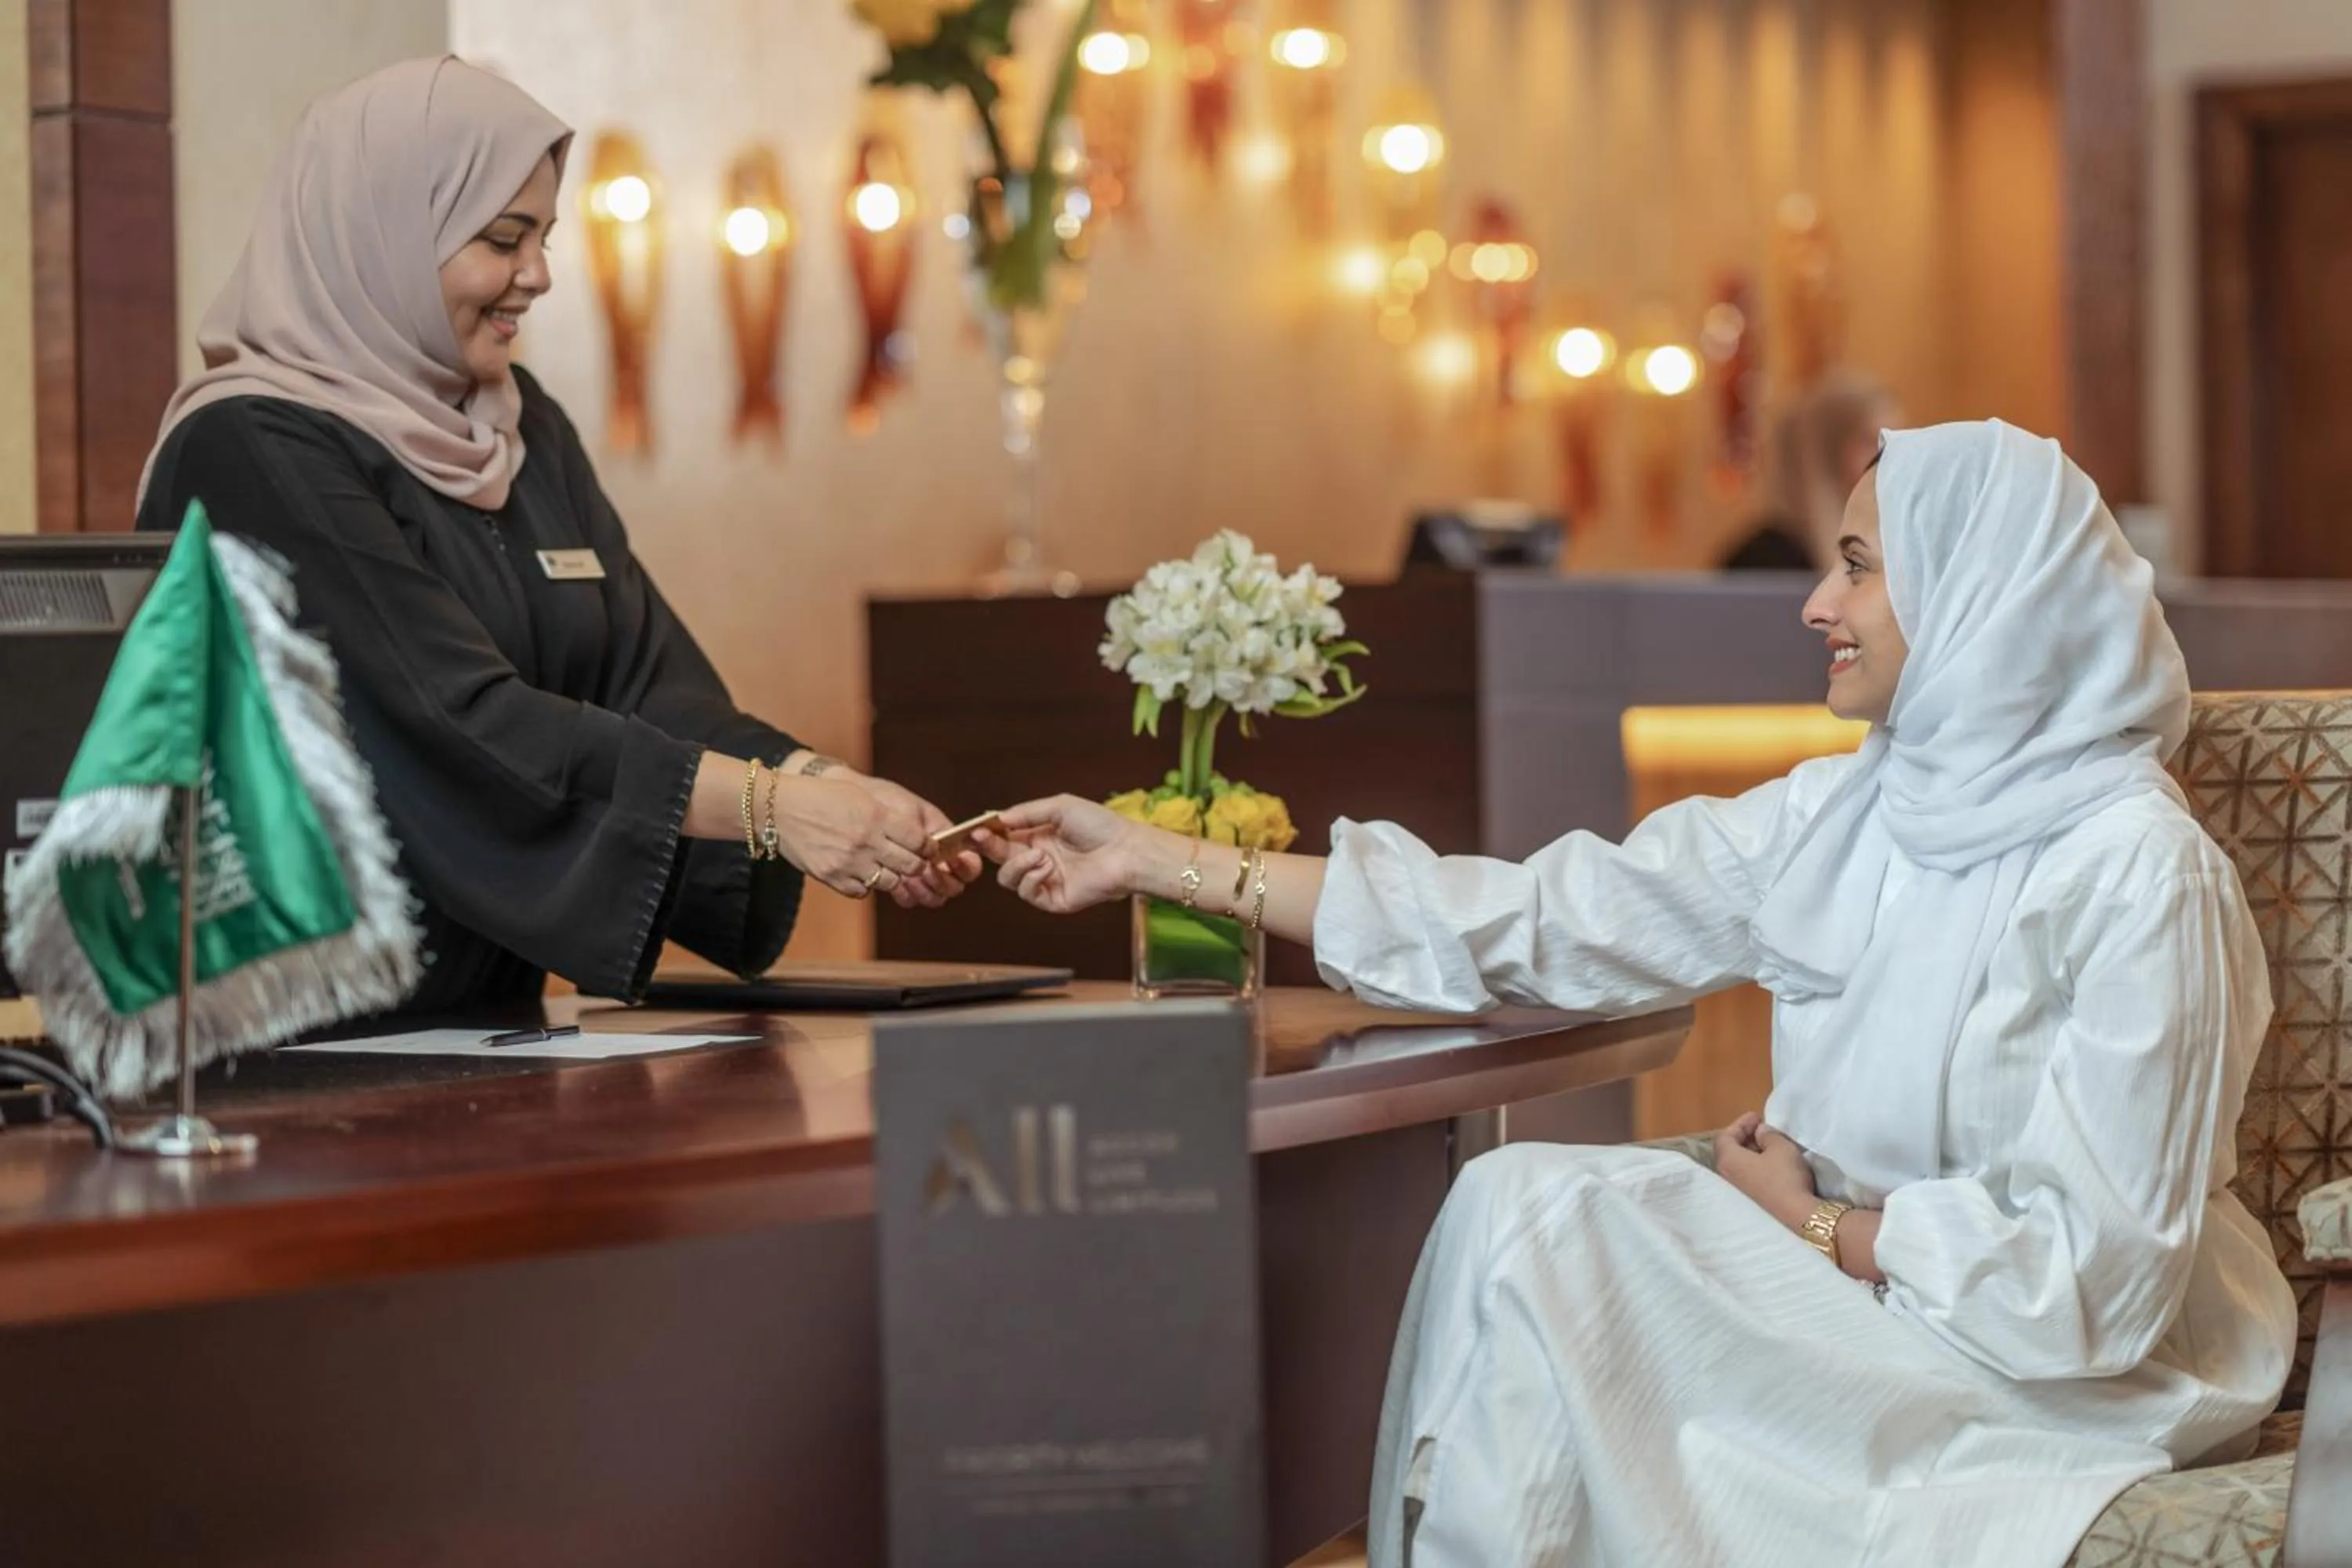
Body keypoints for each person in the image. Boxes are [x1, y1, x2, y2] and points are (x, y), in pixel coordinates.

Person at [976, 419, 2297, 1566]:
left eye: (1857, 566)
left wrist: (1822, 1231)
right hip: (1856, 1294)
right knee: (1515, 1198)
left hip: (2075, 1366)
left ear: (1983, 594)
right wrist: (1162, 861)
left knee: (1547, 1234)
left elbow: (2103, 1279)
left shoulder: (2139, 874)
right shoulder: (1854, 813)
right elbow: (1543, 916)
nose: (1814, 606)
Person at [136, 57, 979, 1014]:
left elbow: (643, 683)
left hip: (489, 1033)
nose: (537, 275)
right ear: (384, 237)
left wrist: (823, 783)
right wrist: (771, 809)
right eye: (504, 238)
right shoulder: (250, 446)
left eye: (542, 236)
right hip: (291, 1052)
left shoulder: (519, 426)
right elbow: (449, 715)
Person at [1719, 368, 1902, 572]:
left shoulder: (1890, 544)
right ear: (1827, 453)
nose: (1885, 457)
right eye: (1869, 441)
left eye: (1892, 442)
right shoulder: (1767, 559)